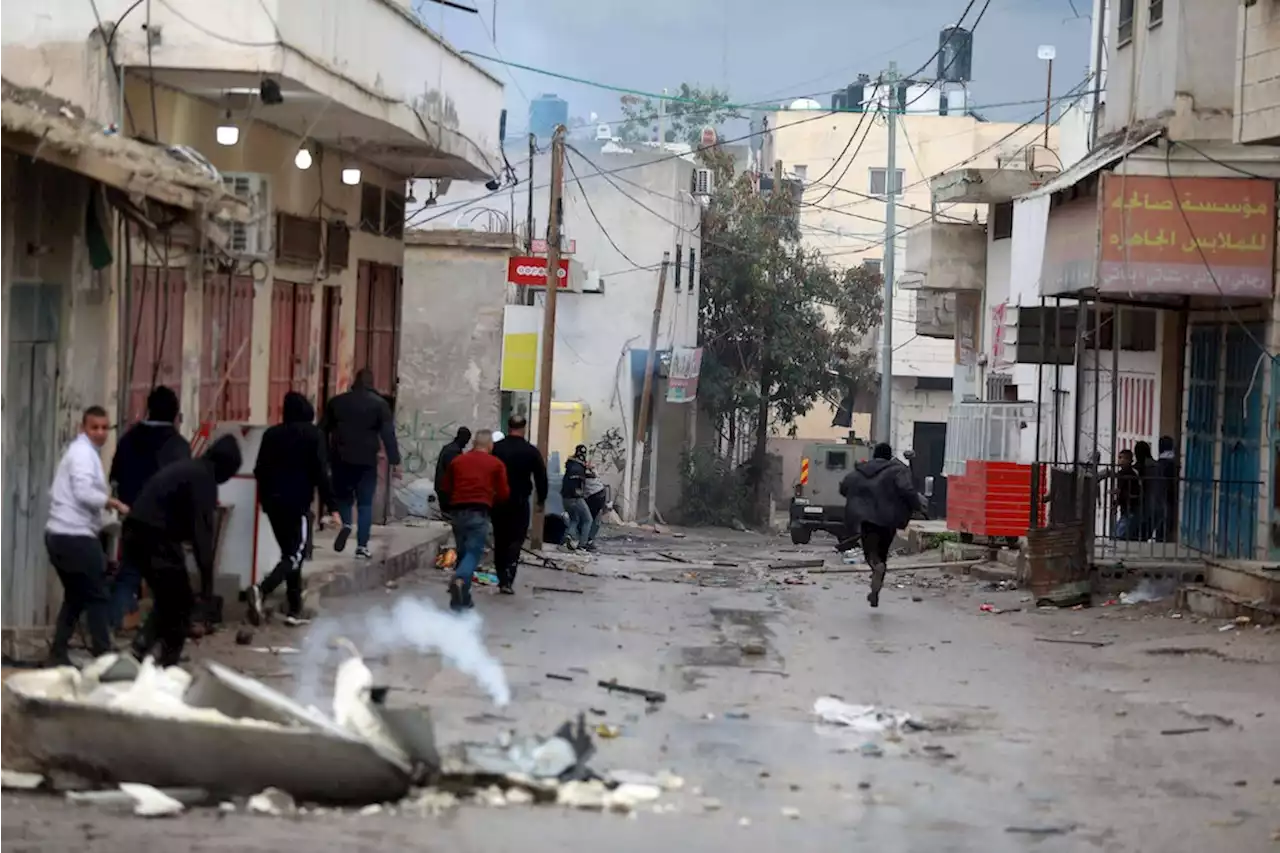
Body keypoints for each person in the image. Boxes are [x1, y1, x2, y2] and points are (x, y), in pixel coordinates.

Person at [123, 435, 241, 667]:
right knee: (180, 603)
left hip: (141, 533)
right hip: (153, 537)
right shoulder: (204, 479)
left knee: (171, 598)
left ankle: (142, 649)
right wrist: (207, 588)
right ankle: (167, 663)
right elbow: (202, 537)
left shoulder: (193, 469)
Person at [247, 392, 341, 628]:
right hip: (297, 504)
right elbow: (321, 473)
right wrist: (333, 507)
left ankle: (294, 608)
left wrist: (267, 497)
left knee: (290, 554)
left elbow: (259, 470)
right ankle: (261, 589)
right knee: (295, 554)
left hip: (272, 505)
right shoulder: (313, 435)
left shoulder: (271, 434)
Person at [45, 406, 128, 665]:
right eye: (95, 427)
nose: (100, 433)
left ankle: (58, 653)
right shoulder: (82, 454)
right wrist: (112, 503)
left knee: (76, 596)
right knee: (97, 594)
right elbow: (83, 493)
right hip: (73, 537)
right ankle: (103, 656)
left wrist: (109, 519)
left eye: (105, 427)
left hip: (62, 535)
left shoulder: (85, 453)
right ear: (84, 428)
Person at [107, 385, 190, 630]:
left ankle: (108, 630)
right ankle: (163, 634)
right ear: (175, 414)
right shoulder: (178, 446)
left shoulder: (128, 439)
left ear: (149, 409)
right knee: (168, 582)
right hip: (163, 524)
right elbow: (184, 489)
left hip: (132, 517)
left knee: (129, 574)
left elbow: (115, 478)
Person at [321, 368, 401, 559]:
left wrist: (324, 455)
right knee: (365, 504)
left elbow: (322, 430)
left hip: (340, 458)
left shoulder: (337, 402)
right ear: (371, 383)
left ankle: (347, 524)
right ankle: (362, 547)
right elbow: (388, 434)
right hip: (366, 461)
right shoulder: (380, 405)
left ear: (353, 382)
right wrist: (395, 460)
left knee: (344, 498)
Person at [838, 442, 925, 608]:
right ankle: (876, 591)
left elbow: (844, 488)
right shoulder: (897, 470)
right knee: (883, 553)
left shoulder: (860, 471)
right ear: (889, 455)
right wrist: (917, 506)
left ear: (875, 455)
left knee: (871, 553)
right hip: (889, 519)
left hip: (865, 519)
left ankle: (875, 568)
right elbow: (907, 490)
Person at [439, 429, 509, 611]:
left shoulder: (458, 461)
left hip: (457, 513)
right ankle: (460, 579)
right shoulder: (496, 464)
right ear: (490, 445)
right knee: (473, 552)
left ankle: (462, 599)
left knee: (463, 553)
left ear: (474, 443)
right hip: (479, 512)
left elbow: (446, 486)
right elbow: (503, 493)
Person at [491, 416, 548, 593]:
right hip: (519, 502)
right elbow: (541, 477)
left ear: (508, 427)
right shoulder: (530, 451)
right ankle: (509, 576)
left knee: (500, 539)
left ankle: (501, 576)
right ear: (524, 428)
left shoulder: (496, 449)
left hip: (498, 501)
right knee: (516, 539)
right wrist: (541, 500)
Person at [561, 445, 595, 550]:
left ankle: (568, 537)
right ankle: (582, 544)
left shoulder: (570, 464)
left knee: (574, 519)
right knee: (588, 519)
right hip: (575, 498)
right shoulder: (579, 468)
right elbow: (587, 477)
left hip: (565, 498)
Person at [432, 427, 472, 515]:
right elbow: (455, 472)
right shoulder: (453, 451)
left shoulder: (450, 448)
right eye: (467, 440)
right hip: (447, 490)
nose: (467, 443)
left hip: (444, 488)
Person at [1152, 435, 1180, 542]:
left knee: (1163, 516)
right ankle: (1163, 537)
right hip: (1168, 492)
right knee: (1166, 516)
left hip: (1162, 492)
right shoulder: (1171, 461)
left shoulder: (1162, 462)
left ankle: (1161, 538)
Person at [1113, 448, 1142, 541]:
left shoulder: (1131, 473)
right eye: (1119, 457)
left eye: (1123, 458)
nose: (1120, 460)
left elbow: (1129, 490)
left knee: (1119, 533)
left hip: (1131, 506)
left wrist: (1118, 494)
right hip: (1126, 506)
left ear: (1130, 460)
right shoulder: (1122, 473)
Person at [583, 471, 608, 551]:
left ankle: (586, 541)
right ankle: (589, 540)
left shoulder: (581, 477)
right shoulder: (593, 478)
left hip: (595, 497)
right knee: (594, 520)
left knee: (588, 519)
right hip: (600, 494)